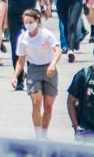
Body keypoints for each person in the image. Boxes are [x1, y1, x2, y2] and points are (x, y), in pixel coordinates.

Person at [12, 8, 62, 139]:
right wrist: (15, 76)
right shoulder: (23, 38)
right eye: (25, 22)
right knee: (36, 102)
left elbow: (58, 51)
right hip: (34, 70)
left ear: (37, 21)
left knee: (48, 106)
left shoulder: (46, 34)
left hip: (49, 69)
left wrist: (53, 64)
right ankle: (38, 135)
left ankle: (44, 133)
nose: (28, 24)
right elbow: (21, 60)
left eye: (30, 22)